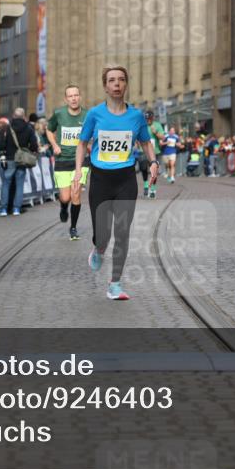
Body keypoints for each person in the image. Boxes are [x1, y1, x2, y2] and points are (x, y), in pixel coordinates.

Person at [75, 65, 158, 301]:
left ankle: (115, 284)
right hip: (100, 179)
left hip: (125, 180)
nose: (117, 84)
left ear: (126, 84)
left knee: (122, 233)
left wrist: (153, 162)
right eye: (112, 80)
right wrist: (78, 172)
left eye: (121, 80)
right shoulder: (94, 114)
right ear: (105, 86)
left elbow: (145, 142)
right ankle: (99, 248)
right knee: (104, 235)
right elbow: (82, 143)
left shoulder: (136, 116)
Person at [47, 85, 88, 240]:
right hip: (63, 159)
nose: (73, 98)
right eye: (70, 96)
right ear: (66, 99)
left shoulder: (87, 114)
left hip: (80, 161)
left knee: (76, 193)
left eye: (76, 95)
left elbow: (93, 132)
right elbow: (49, 130)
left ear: (80, 96)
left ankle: (73, 227)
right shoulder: (59, 114)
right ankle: (64, 207)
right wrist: (55, 145)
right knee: (66, 197)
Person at [0, 107, 38, 216]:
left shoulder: (7, 128)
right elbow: (34, 145)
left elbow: (0, 144)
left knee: (6, 184)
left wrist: (3, 153)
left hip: (9, 158)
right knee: (19, 185)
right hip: (22, 159)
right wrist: (29, 150)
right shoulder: (28, 129)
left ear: (13, 116)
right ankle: (16, 209)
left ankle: (3, 209)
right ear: (24, 116)